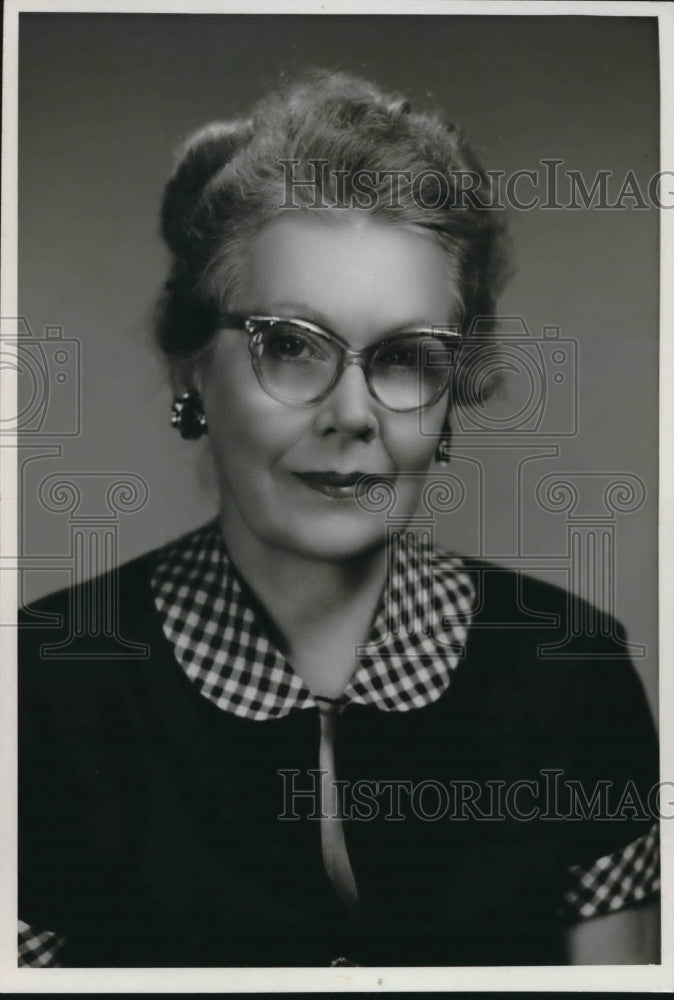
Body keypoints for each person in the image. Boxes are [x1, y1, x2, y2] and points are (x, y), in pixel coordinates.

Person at [18, 70, 659, 968]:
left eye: (405, 357)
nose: (352, 413)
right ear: (192, 368)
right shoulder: (42, 690)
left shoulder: (572, 673)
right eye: (289, 344)